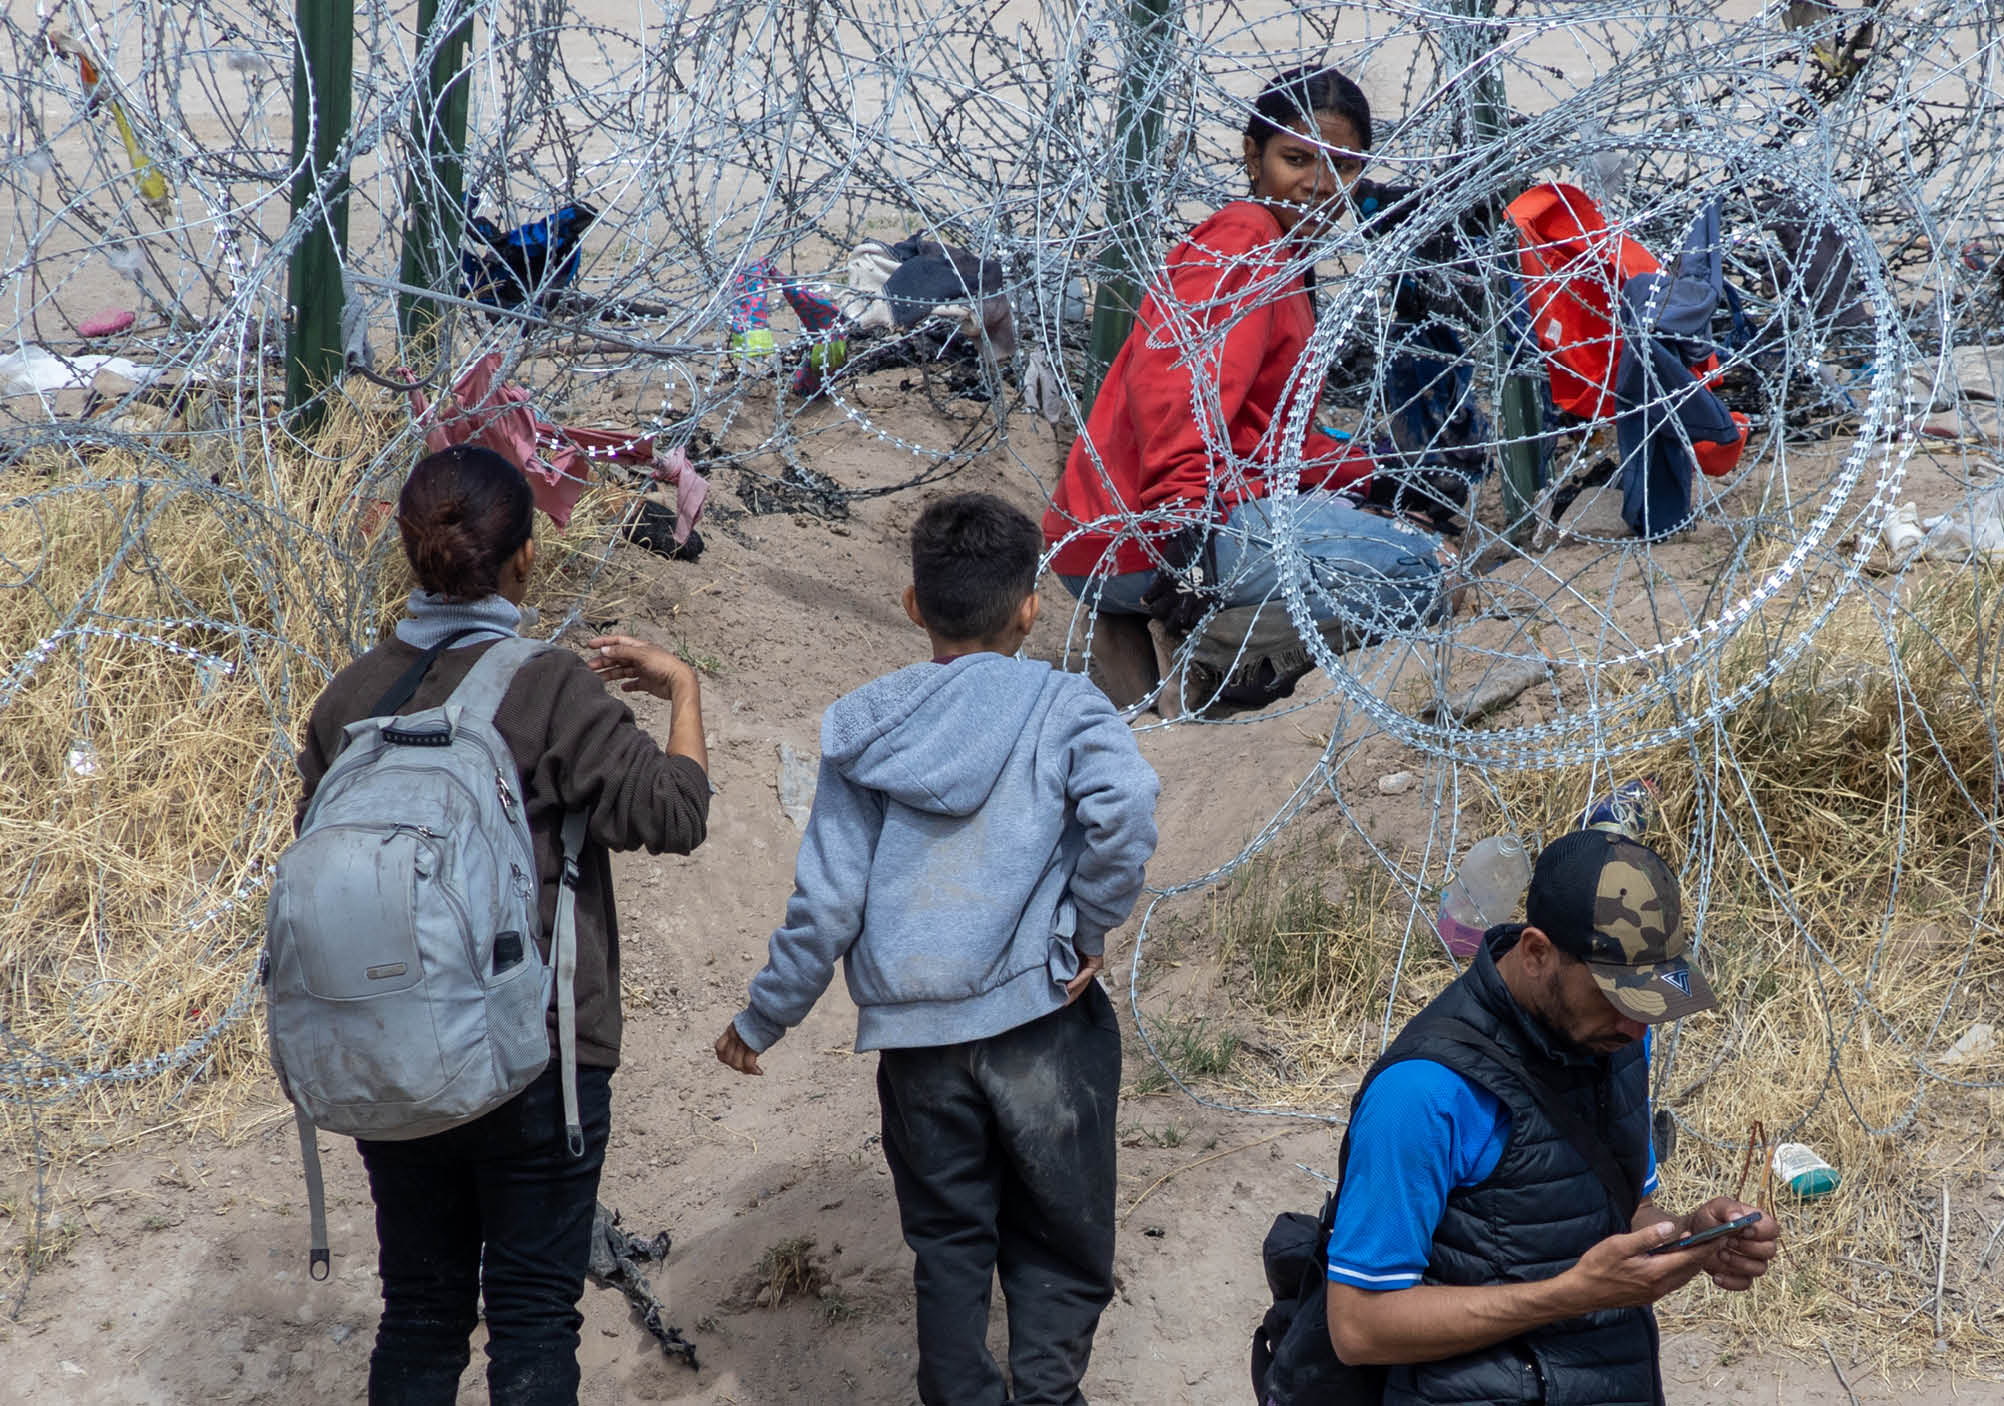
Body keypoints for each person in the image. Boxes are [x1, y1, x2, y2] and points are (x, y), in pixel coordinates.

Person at [714, 492, 1161, 1406]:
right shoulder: (1065, 706)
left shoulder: (865, 731)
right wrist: (1087, 924)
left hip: (918, 1046)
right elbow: (1128, 810)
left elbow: (828, 902)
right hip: (1043, 1023)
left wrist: (762, 1020)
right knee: (1061, 1235)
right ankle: (1047, 1394)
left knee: (950, 1243)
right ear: (1032, 607)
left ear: (913, 606)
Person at [293, 444, 711, 1405]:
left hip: (388, 1053)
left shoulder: (346, 702)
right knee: (531, 1318)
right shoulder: (551, 686)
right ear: (525, 559)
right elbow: (674, 815)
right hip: (541, 1062)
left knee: (420, 1312)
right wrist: (683, 689)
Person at [1321, 830, 1780, 1404]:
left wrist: (1690, 1237)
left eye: (1649, 1002)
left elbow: (1621, 1209)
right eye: (1617, 997)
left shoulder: (1613, 1040)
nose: (1639, 1028)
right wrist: (1570, 1294)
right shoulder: (1423, 1093)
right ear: (1536, 954)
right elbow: (1359, 1326)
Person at [1046, 65, 1451, 706]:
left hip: (1129, 533)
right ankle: (1218, 663)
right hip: (1156, 538)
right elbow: (1177, 382)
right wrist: (1182, 519)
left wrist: (1373, 474)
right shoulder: (1244, 241)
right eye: (1297, 158)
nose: (1318, 185)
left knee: (1390, 531)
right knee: (1416, 571)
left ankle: (1215, 648)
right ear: (1252, 157)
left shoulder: (1283, 257)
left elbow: (1271, 435)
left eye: (1342, 168)